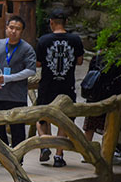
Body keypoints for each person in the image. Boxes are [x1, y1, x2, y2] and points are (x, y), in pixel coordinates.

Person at [34, 8, 85, 167]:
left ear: (51, 22)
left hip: (47, 85)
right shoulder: (75, 39)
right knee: (66, 119)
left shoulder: (43, 40)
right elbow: (80, 61)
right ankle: (59, 155)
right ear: (66, 22)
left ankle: (45, 145)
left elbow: (38, 63)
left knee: (41, 116)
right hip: (67, 85)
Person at [0, 15, 37, 153]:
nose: (13, 31)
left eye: (17, 29)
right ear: (6, 28)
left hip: (17, 96)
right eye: (11, 27)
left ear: (22, 31)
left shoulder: (27, 49)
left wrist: (9, 78)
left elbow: (31, 71)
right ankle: (3, 154)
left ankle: (18, 156)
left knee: (17, 129)